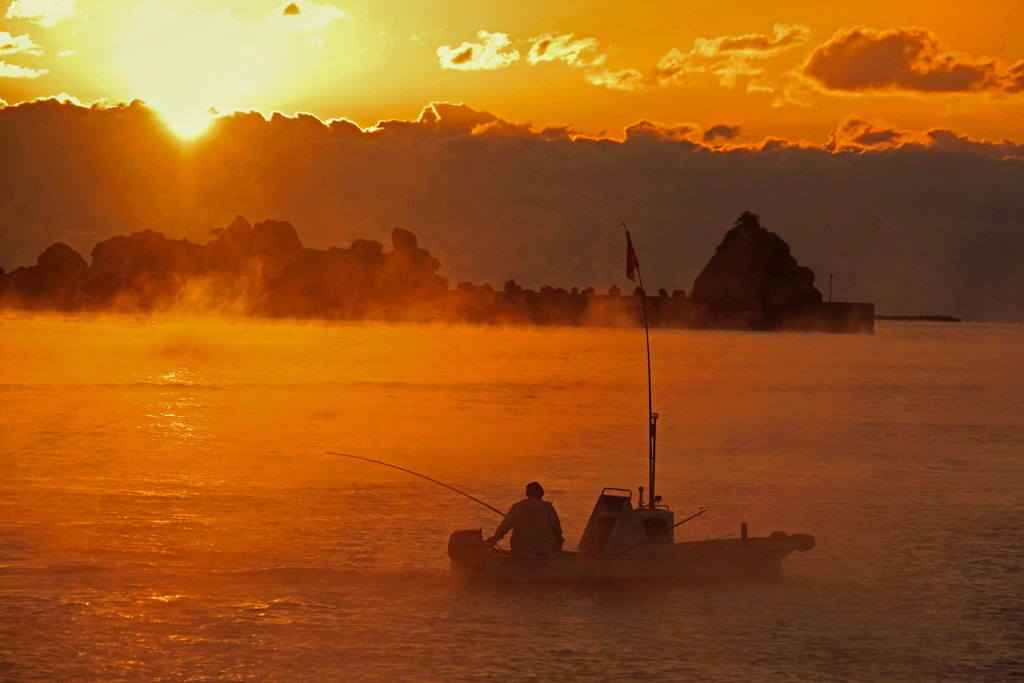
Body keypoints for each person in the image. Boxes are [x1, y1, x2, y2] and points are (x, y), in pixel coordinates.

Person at [485, 482, 564, 556]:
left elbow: (504, 528)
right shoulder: (547, 508)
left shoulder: (517, 507)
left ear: (527, 494)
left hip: (519, 550)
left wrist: (493, 539)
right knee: (559, 538)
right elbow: (557, 530)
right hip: (542, 550)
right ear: (542, 494)